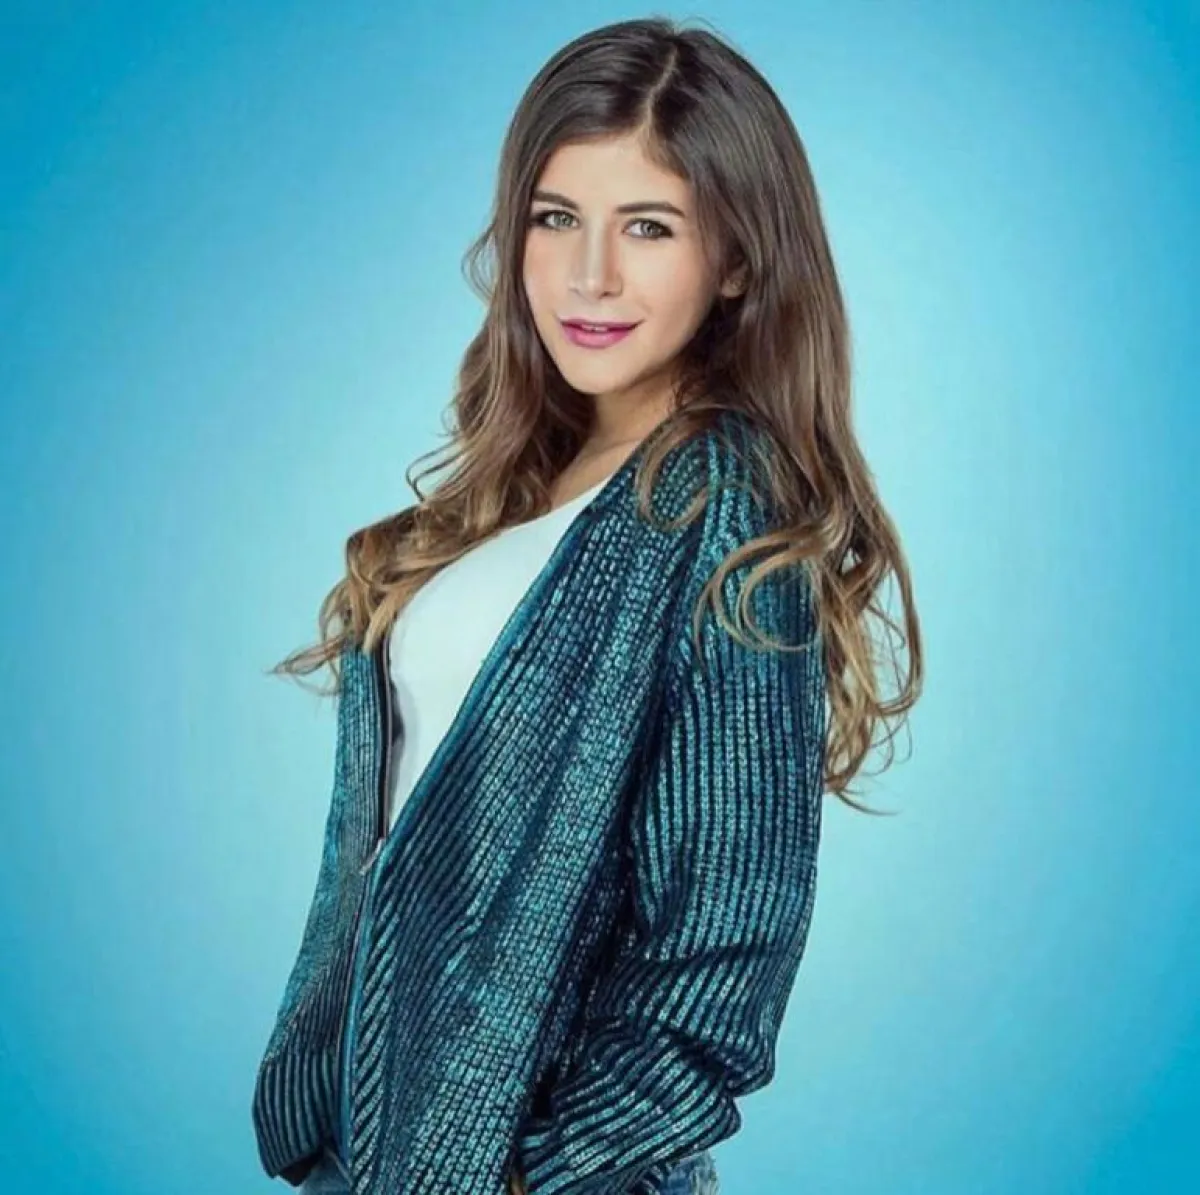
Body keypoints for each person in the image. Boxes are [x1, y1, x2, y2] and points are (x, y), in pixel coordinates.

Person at [250, 15, 922, 1195]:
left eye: (649, 227)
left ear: (737, 261)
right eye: (556, 218)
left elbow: (722, 947)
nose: (590, 275)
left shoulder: (723, 509)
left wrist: (537, 1175)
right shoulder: (527, 489)